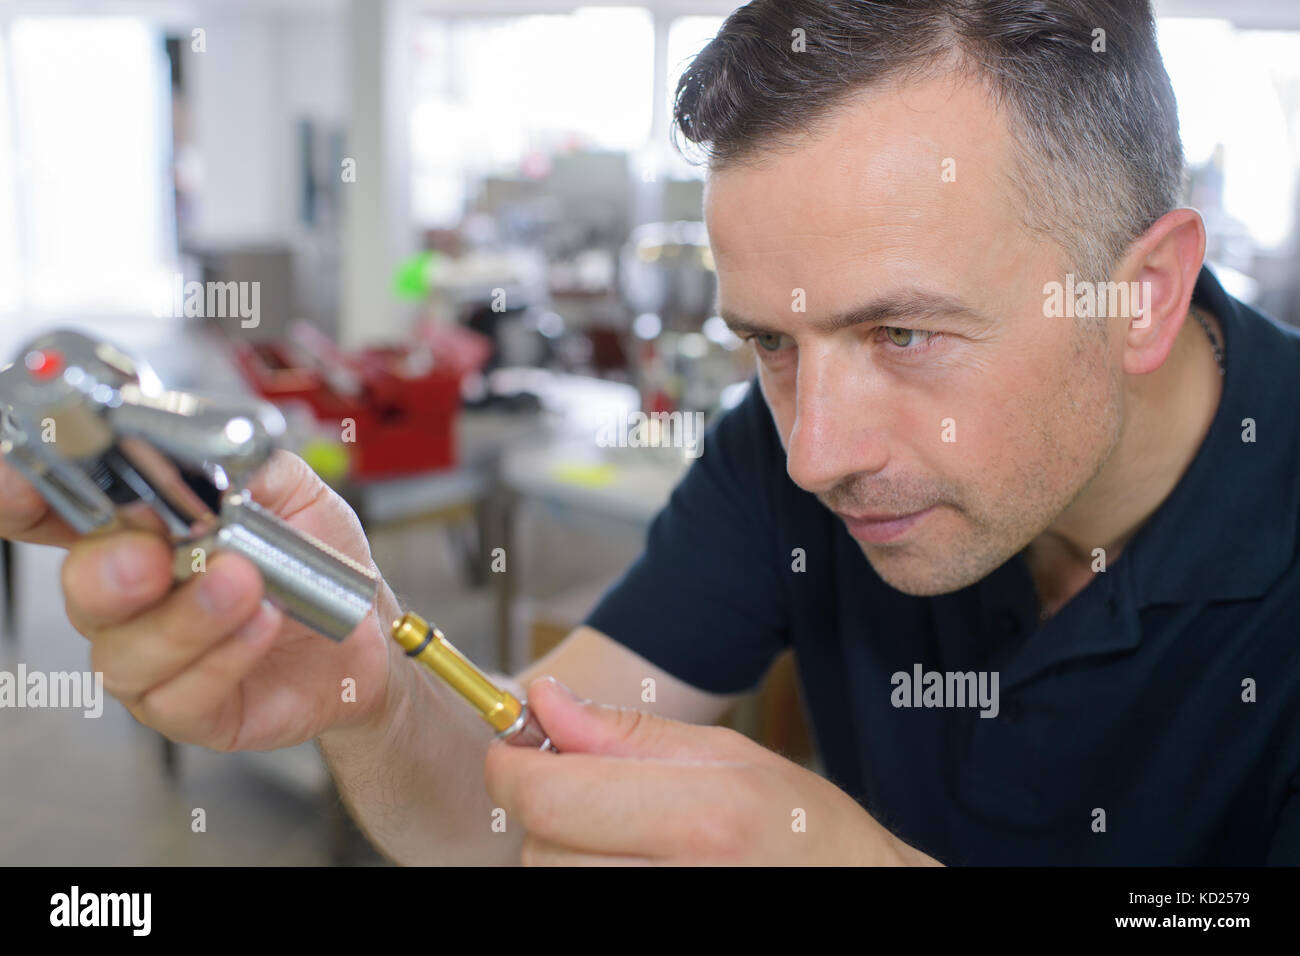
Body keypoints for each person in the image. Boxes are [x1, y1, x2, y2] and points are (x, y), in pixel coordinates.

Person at [5, 0, 1299, 865]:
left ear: (1140, 293)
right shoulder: (783, 460)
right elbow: (497, 815)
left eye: (903, 334)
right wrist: (372, 692)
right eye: (773, 343)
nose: (815, 453)